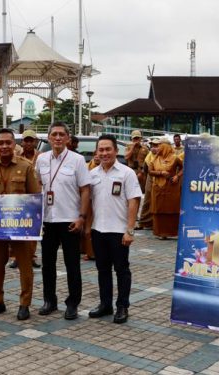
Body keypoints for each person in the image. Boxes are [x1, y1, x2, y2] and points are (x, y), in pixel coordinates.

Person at [0, 128, 41, 321]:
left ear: (14, 145)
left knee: (25, 266)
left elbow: (34, 198)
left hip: (21, 226)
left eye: (9, 142)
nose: (5, 146)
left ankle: (25, 304)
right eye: (1, 143)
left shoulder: (26, 167)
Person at [36, 122, 91, 320]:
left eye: (61, 135)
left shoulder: (77, 160)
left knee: (72, 265)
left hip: (70, 220)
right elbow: (38, 186)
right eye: (54, 134)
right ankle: (49, 300)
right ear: (49, 138)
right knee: (47, 264)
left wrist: (82, 217)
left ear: (68, 138)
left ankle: (72, 303)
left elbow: (85, 189)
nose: (58, 138)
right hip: (47, 220)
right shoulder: (41, 159)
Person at [88, 134, 141, 324]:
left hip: (119, 231)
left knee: (121, 270)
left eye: (108, 149)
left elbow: (134, 200)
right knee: (102, 269)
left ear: (116, 151)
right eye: (100, 150)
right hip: (98, 230)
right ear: (96, 152)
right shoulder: (92, 174)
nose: (104, 153)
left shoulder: (126, 173)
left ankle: (122, 306)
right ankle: (105, 304)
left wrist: (130, 230)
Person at [16, 129, 43, 269]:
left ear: (36, 142)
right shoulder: (17, 156)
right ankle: (16, 257)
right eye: (26, 140)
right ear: (22, 142)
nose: (28, 143)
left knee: (33, 228)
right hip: (20, 196)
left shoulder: (42, 157)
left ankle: (32, 256)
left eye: (31, 140)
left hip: (35, 196)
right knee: (17, 227)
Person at [149, 139, 183, 239]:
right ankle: (160, 233)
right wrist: (161, 173)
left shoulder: (175, 158)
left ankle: (172, 232)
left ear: (165, 147)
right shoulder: (154, 158)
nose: (157, 148)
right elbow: (150, 171)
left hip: (171, 187)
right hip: (158, 187)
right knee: (158, 209)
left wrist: (177, 176)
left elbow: (183, 167)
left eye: (160, 146)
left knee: (171, 209)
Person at [136, 139, 159, 230]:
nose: (154, 148)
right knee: (147, 201)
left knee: (157, 202)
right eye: (153, 146)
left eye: (156, 146)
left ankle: (154, 223)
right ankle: (143, 222)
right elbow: (145, 168)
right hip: (150, 179)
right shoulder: (149, 156)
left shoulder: (163, 156)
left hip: (160, 181)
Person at [81, 152, 101, 261]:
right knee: (87, 229)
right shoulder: (87, 167)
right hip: (88, 202)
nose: (97, 157)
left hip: (100, 203)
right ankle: (89, 252)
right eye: (96, 155)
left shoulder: (103, 169)